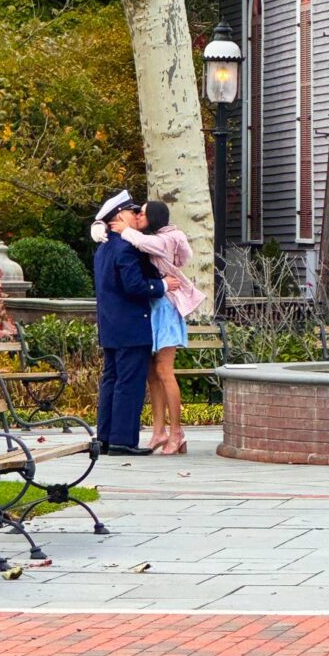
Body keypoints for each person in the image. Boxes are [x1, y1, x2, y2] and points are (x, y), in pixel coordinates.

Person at [111, 201, 205, 455]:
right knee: (152, 372)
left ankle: (177, 432)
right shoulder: (157, 238)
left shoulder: (167, 238)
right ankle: (159, 431)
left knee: (164, 370)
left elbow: (145, 243)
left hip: (166, 309)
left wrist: (124, 229)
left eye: (142, 212)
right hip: (152, 306)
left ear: (153, 216)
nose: (138, 215)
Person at [93, 190, 180, 456]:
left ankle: (105, 437)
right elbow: (134, 285)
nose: (136, 216)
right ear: (119, 216)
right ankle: (123, 441)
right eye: (132, 212)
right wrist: (162, 285)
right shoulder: (126, 247)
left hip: (110, 325)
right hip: (131, 324)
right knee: (128, 384)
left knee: (111, 381)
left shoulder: (103, 247)